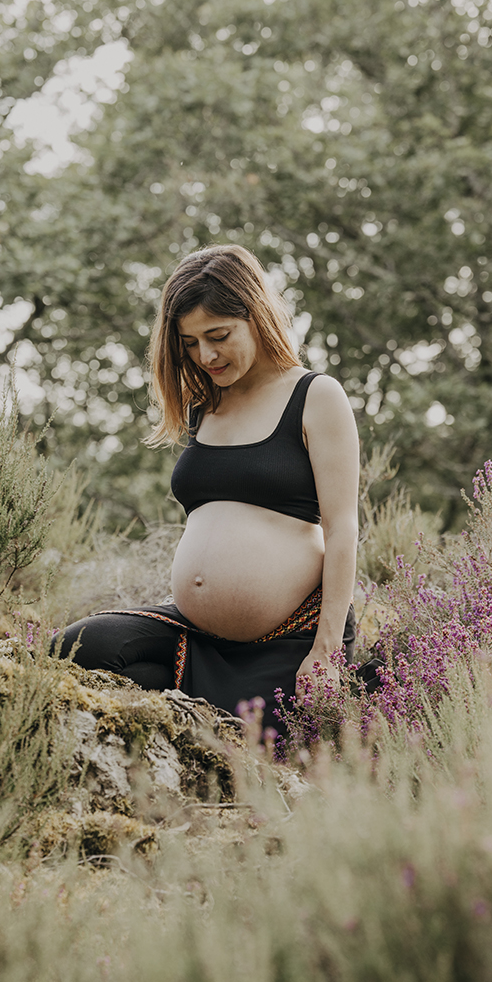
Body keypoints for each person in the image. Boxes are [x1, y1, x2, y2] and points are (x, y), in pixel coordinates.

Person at [52, 245, 360, 730]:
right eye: (190, 342)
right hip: (192, 631)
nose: (206, 355)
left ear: (256, 315)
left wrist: (326, 651)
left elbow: (343, 529)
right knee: (71, 649)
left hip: (287, 640)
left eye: (218, 336)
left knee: (233, 744)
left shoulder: (315, 396)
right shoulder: (204, 405)